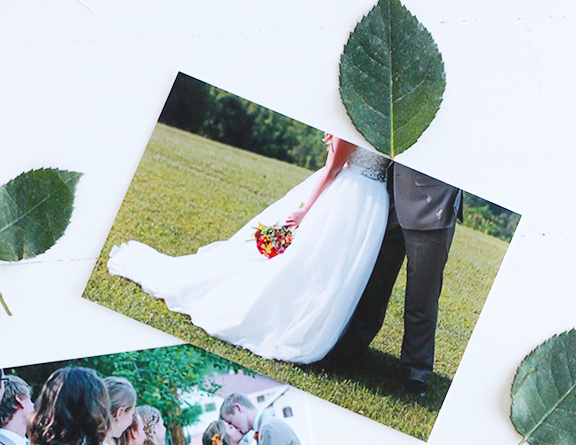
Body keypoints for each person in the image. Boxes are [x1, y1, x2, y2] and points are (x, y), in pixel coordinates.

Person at [107, 137, 390, 364]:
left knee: (337, 272)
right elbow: (332, 168)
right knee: (303, 263)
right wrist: (304, 213)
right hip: (344, 200)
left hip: (371, 205)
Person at [329, 163, 463, 396]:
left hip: (434, 204)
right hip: (388, 192)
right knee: (374, 282)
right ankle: (352, 345)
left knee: (422, 295)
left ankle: (416, 372)